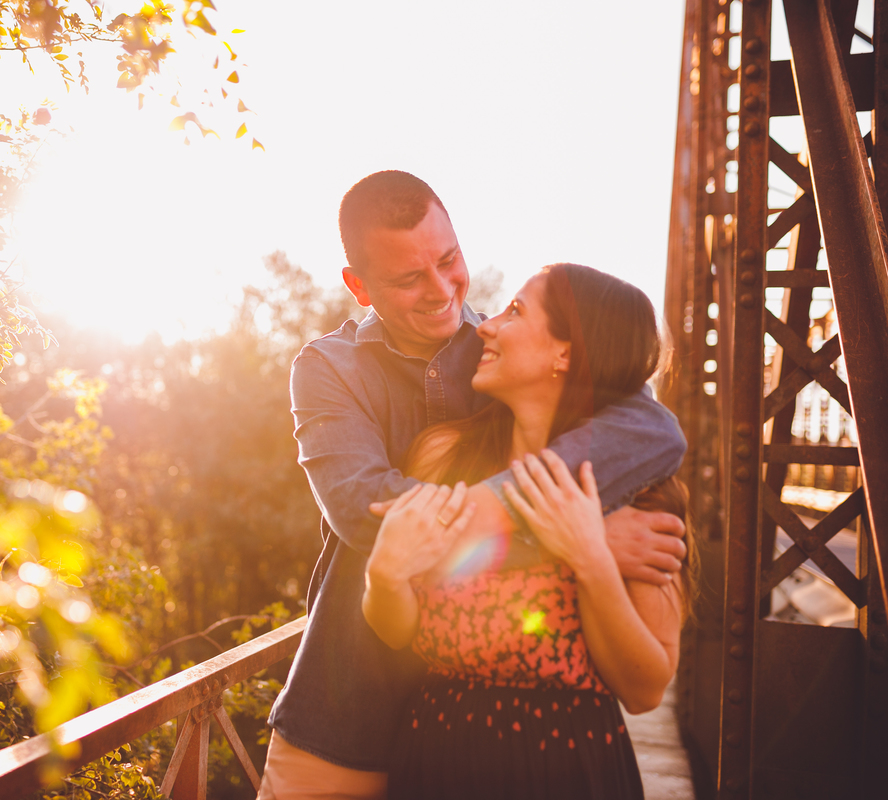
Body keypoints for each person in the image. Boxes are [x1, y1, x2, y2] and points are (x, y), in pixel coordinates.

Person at [258, 171, 687, 800]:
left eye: (448, 259)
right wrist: (566, 537)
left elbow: (655, 429)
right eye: (409, 278)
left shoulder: (504, 353)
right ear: (360, 287)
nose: (441, 291)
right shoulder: (330, 369)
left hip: (486, 742)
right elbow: (365, 513)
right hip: (349, 717)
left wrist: (584, 543)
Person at [363, 264, 694, 799]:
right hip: (437, 759)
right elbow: (398, 633)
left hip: (570, 770)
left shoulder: (643, 497)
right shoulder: (444, 456)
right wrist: (382, 579)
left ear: (566, 353)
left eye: (515, 311)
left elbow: (645, 690)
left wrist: (590, 556)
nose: (486, 327)